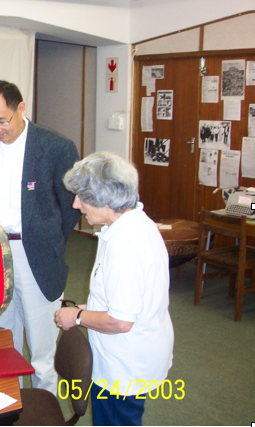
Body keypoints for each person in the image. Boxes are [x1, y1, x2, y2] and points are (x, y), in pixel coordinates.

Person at [0, 80, 80, 394]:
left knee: (43, 352)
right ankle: (13, 407)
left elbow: (69, 208)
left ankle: (45, 411)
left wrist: (48, 242)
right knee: (3, 343)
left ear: (21, 108)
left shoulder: (56, 146)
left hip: (38, 255)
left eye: (2, 120)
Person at [55, 152, 174, 426]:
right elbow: (127, 297)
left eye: (82, 197)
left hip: (124, 366)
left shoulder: (125, 244)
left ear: (104, 198)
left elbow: (120, 321)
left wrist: (77, 316)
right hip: (133, 353)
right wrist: (88, 308)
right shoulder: (135, 224)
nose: (76, 204)